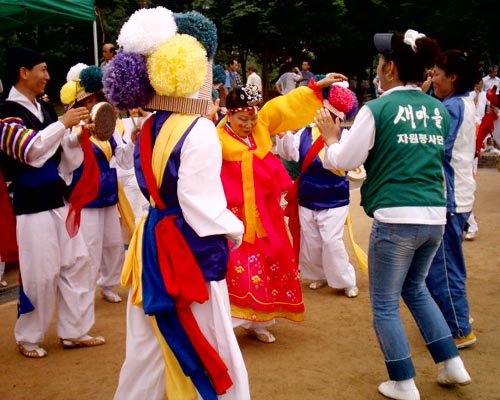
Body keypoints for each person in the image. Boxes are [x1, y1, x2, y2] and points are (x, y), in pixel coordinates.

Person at [315, 30, 472, 400]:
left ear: (391, 67)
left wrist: (329, 138)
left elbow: (344, 161)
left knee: (385, 303)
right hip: (434, 214)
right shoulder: (437, 109)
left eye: (382, 60)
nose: (379, 66)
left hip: (396, 217)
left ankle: (403, 382)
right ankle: (452, 364)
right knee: (416, 289)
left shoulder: (377, 108)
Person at [105, 7, 250, 399]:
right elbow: (200, 206)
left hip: (151, 245)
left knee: (146, 349)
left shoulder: (149, 125)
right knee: (209, 343)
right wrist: (235, 231)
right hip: (187, 253)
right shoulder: (199, 130)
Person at [216, 74, 347, 343]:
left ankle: (260, 320)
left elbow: (285, 104)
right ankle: (228, 322)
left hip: (265, 213)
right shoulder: (214, 139)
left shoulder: (261, 125)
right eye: (243, 119)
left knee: (269, 259)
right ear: (229, 114)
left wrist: (316, 87)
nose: (250, 124)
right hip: (233, 216)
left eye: (252, 119)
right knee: (234, 266)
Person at [0, 47, 106, 358]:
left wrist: (74, 136)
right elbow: (29, 151)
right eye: (43, 69)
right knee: (40, 273)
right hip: (31, 205)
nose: (47, 76)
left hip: (57, 199)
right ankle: (28, 336)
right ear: (23, 72)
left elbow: (60, 157)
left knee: (77, 263)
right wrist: (63, 124)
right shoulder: (6, 112)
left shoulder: (43, 111)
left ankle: (74, 331)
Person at [275, 82, 360, 297]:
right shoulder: (304, 133)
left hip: (334, 197)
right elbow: (290, 153)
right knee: (311, 240)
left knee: (332, 241)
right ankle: (317, 275)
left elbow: (345, 163)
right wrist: (284, 133)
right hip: (308, 195)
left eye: (330, 115)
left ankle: (345, 280)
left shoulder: (345, 136)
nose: (324, 118)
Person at [61, 63, 135, 304]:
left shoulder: (108, 127)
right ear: (79, 104)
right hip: (85, 194)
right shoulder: (71, 129)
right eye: (89, 101)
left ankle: (109, 284)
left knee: (114, 244)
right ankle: (84, 290)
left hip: (107, 192)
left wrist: (134, 140)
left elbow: (123, 159)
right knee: (90, 246)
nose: (93, 104)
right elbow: (66, 161)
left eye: (96, 99)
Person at [426, 49, 482, 350]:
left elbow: (437, 147)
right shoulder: (458, 103)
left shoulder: (452, 109)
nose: (432, 78)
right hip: (456, 195)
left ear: (453, 77)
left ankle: (459, 328)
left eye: (436, 73)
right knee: (445, 265)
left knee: (444, 267)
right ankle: (456, 319)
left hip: (449, 198)